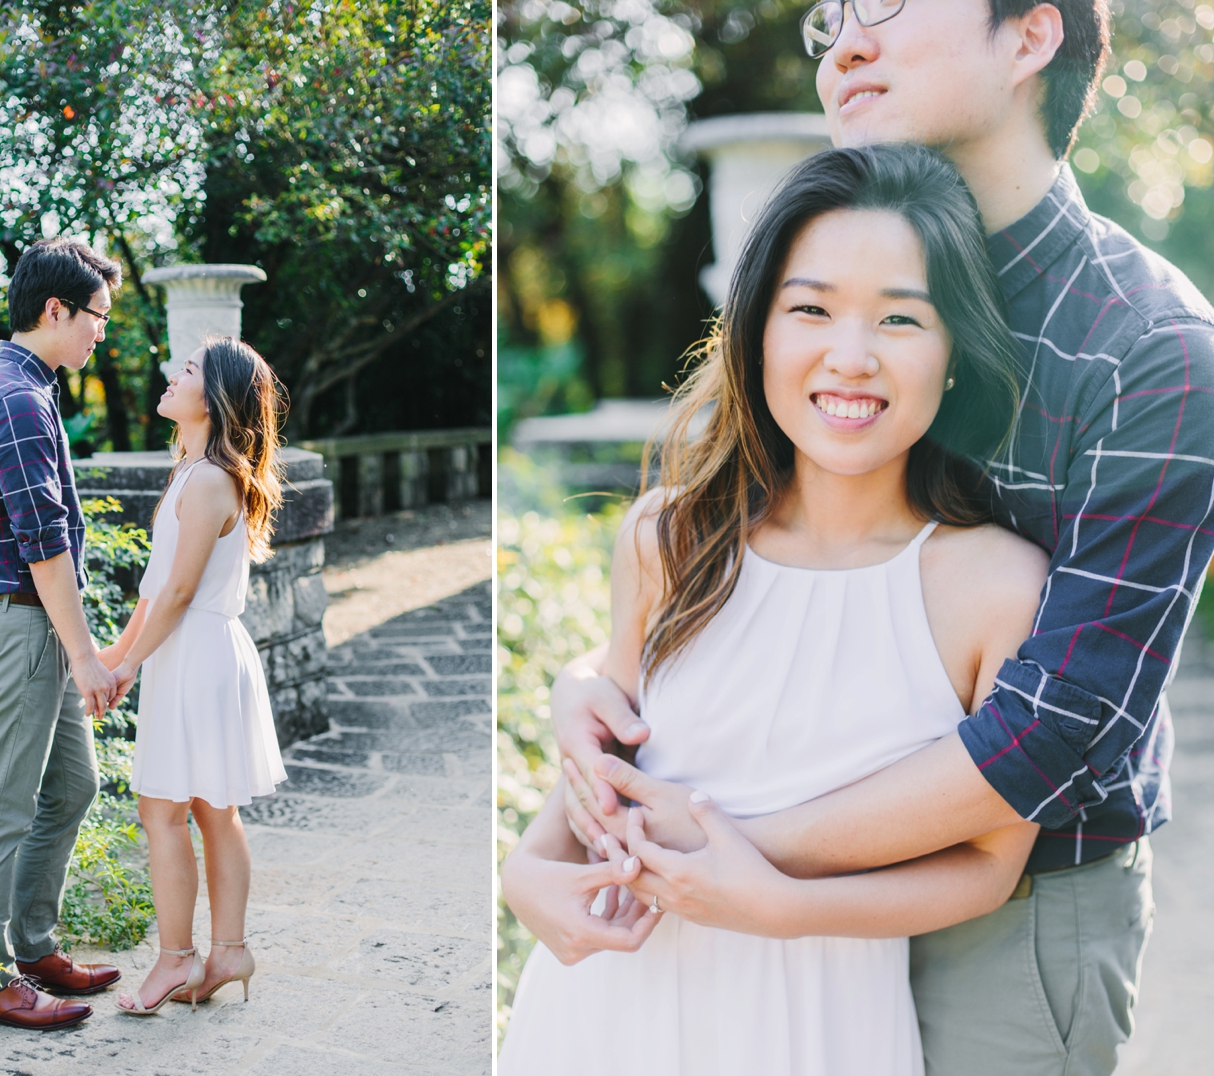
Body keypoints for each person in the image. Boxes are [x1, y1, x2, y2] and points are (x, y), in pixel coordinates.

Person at [542, 1, 1214, 1073]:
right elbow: (733, 553)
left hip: (1004, 907)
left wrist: (711, 836)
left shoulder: (1156, 353)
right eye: (834, 15)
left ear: (1031, 38)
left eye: (891, 5)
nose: (843, 44)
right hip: (710, 900)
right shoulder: (839, 272)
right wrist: (590, 690)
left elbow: (1054, 728)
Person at [501, 141, 1048, 1074]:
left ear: (957, 351)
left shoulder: (996, 584)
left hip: (821, 1025)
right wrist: (523, 875)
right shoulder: (664, 538)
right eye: (811, 309)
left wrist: (783, 907)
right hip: (607, 1013)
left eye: (901, 320)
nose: (851, 356)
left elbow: (991, 866)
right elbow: (612, 756)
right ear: (757, 332)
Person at [0, 237, 129, 1029]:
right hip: (19, 630)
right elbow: (44, 543)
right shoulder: (17, 399)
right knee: (1, 807)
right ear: (55, 310)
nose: (102, 332)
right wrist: (87, 657)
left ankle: (31, 945)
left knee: (71, 787)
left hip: (37, 628)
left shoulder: (30, 388)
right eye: (97, 316)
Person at [97, 337, 288, 1015]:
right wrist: (116, 660)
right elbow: (155, 591)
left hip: (199, 655)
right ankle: (225, 952)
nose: (170, 377)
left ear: (213, 398)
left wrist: (123, 666)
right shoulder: (192, 470)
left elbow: (177, 597)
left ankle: (178, 959)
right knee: (206, 810)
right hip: (189, 653)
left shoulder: (208, 480)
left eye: (186, 371)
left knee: (165, 811)